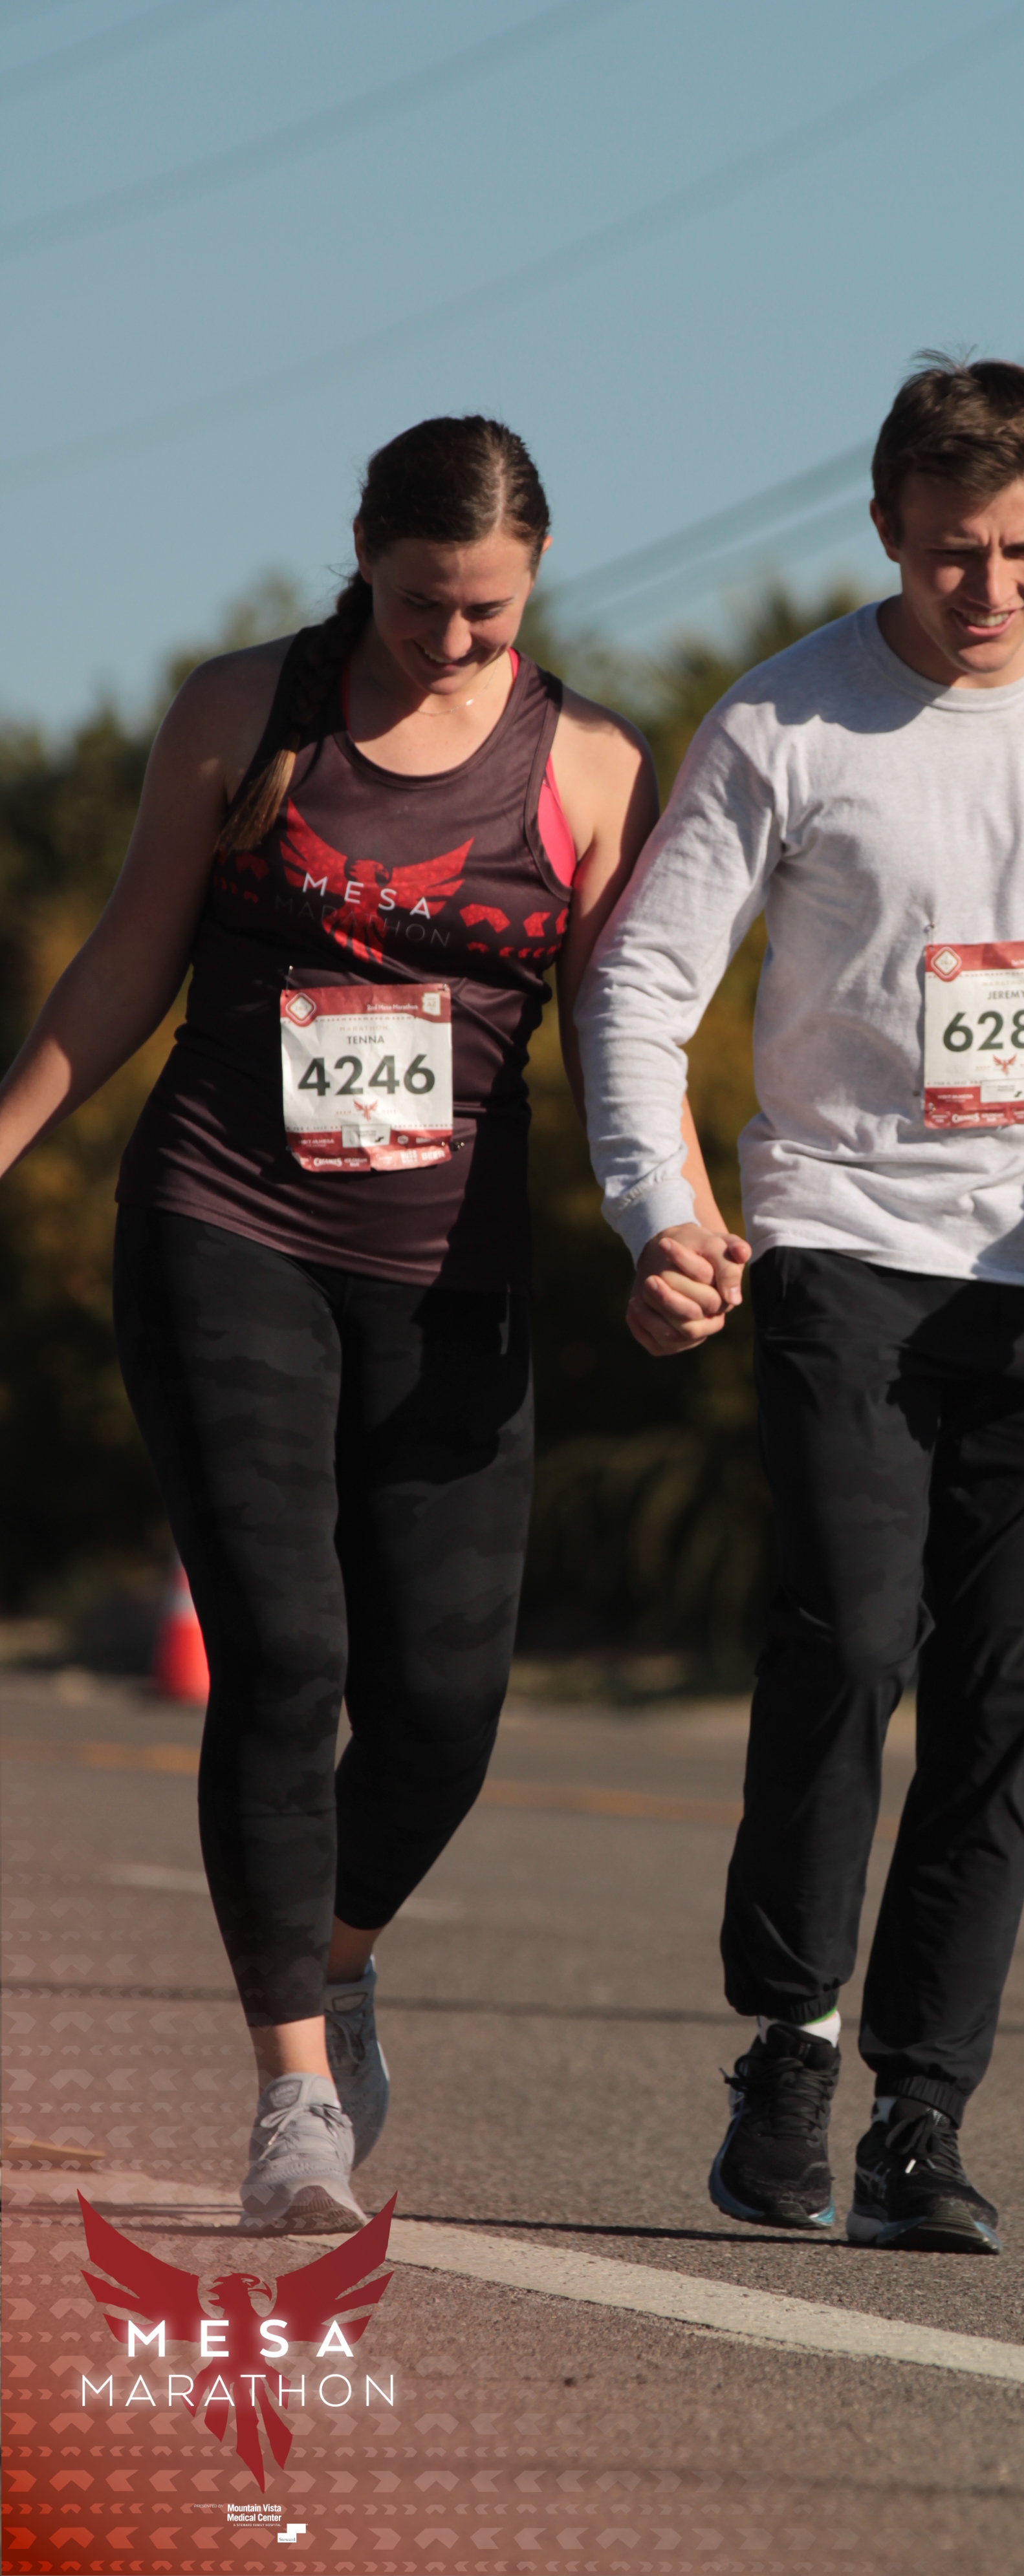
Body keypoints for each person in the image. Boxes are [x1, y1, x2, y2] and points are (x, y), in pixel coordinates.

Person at [0, 416, 737, 2234]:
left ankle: (334, 1960)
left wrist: (671, 1225)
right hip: (225, 1225)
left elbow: (626, 1039)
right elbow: (129, 956)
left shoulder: (587, 768)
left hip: (447, 1275)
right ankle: (293, 2100)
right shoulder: (244, 712)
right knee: (283, 1657)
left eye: (489, 610)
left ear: (535, 577)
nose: (454, 641)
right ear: (363, 556)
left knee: (442, 1709)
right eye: (422, 605)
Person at [577, 356, 1024, 2254]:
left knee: (1002, 1693)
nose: (993, 590)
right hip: (848, 1243)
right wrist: (660, 1212)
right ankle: (789, 2045)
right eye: (955, 552)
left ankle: (922, 2114)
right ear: (887, 525)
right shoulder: (786, 718)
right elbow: (643, 987)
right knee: (854, 1639)